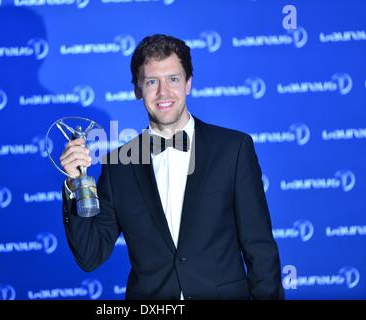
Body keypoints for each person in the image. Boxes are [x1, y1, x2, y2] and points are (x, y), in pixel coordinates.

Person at [60, 34, 284, 300]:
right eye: (152, 81)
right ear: (137, 89)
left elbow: (260, 249)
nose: (163, 92)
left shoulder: (233, 149)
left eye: (173, 79)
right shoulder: (119, 164)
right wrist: (76, 184)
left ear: (188, 83)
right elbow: (90, 255)